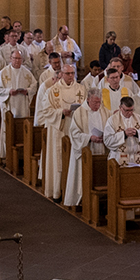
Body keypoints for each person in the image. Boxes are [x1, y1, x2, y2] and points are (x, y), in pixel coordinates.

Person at [35, 60, 85, 199]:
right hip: (59, 129)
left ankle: (74, 195)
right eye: (68, 73)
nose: (71, 76)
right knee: (59, 161)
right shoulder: (52, 91)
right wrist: (61, 112)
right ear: (62, 74)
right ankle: (57, 191)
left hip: (76, 129)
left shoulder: (81, 89)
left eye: (72, 73)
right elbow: (46, 110)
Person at [62, 87, 107, 209]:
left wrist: (105, 137)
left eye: (99, 102)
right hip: (85, 150)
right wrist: (89, 138)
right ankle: (82, 200)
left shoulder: (104, 111)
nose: (97, 105)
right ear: (88, 100)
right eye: (95, 102)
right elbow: (74, 133)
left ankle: (100, 202)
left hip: (101, 149)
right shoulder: (79, 112)